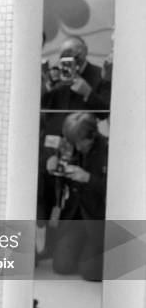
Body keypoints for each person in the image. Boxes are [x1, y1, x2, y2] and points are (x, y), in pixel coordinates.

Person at [45, 112, 107, 281]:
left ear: (92, 135)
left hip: (97, 219)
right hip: (75, 217)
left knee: (90, 272)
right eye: (74, 143)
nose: (77, 148)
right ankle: (84, 250)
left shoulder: (108, 150)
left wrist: (88, 178)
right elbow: (60, 176)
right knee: (61, 266)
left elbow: (119, 192)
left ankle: (95, 250)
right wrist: (52, 167)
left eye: (82, 143)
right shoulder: (70, 144)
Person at [41, 35, 111, 111]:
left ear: (84, 52)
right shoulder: (54, 74)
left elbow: (105, 112)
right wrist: (48, 86)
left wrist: (88, 93)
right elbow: (39, 106)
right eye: (63, 55)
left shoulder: (101, 75)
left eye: (70, 53)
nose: (67, 59)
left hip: (85, 121)